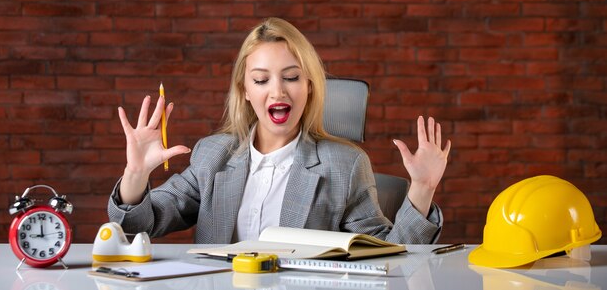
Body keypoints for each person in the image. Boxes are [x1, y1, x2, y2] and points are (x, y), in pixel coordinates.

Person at [108, 17, 451, 244]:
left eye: (291, 77)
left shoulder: (344, 166)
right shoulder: (213, 154)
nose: (278, 92)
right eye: (261, 79)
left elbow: (391, 258)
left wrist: (422, 188)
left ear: (310, 87)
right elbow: (139, 226)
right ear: (244, 89)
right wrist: (136, 173)